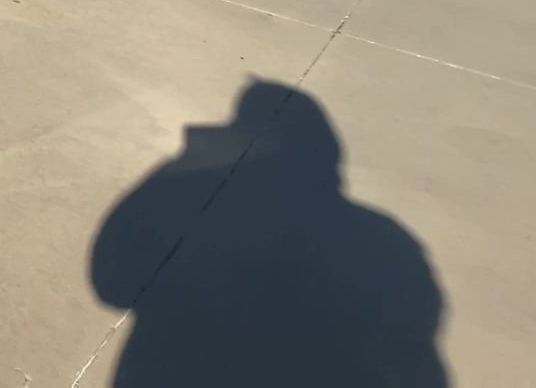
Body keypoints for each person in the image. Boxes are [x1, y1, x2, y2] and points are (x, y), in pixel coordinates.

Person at [91, 80, 447, 387]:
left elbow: (113, 283)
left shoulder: (201, 212)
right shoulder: (386, 241)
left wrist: (184, 167)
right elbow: (415, 356)